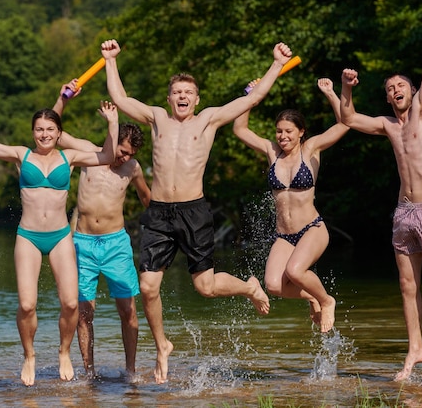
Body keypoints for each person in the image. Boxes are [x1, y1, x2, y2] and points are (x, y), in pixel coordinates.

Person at [100, 38, 293, 384]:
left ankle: (249, 287)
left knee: (205, 286)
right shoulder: (157, 118)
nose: (183, 97)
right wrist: (110, 60)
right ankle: (162, 346)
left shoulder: (208, 119)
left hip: (193, 212)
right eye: (177, 92)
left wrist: (276, 64)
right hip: (159, 213)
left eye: (188, 92)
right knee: (147, 287)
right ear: (169, 96)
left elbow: (253, 98)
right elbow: (121, 99)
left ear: (197, 98)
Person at [0, 87, 117, 386]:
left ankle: (64, 352)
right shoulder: (21, 155)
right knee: (27, 304)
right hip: (29, 236)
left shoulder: (69, 158)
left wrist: (112, 123)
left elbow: (108, 155)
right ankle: (29, 356)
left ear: (59, 132)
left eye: (50, 129)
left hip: (59, 237)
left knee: (71, 303)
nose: (44, 134)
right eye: (39, 129)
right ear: (33, 132)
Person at [339, 4, 422, 385]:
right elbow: (347, 118)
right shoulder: (388, 126)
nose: (395, 91)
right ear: (388, 99)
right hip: (404, 214)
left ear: (412, 90)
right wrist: (345, 87)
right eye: (390, 89)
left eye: (400, 86)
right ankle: (415, 348)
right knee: (408, 286)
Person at [233, 78, 349, 333]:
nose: (282, 136)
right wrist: (250, 94)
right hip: (284, 236)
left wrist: (331, 93)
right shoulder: (271, 151)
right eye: (279, 131)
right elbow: (240, 129)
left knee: (295, 271)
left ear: (301, 132)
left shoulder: (311, 149)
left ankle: (327, 300)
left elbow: (345, 123)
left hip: (312, 229)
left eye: (288, 131)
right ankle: (311, 296)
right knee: (273, 285)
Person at [52, 80, 151, 381]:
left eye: (129, 153)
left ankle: (131, 372)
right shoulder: (88, 153)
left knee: (128, 310)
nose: (123, 157)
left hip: (116, 245)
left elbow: (147, 199)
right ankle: (89, 374)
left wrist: (162, 222)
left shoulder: (132, 168)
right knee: (83, 313)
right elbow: (55, 135)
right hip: (82, 243)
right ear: (112, 140)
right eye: (121, 151)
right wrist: (62, 99)